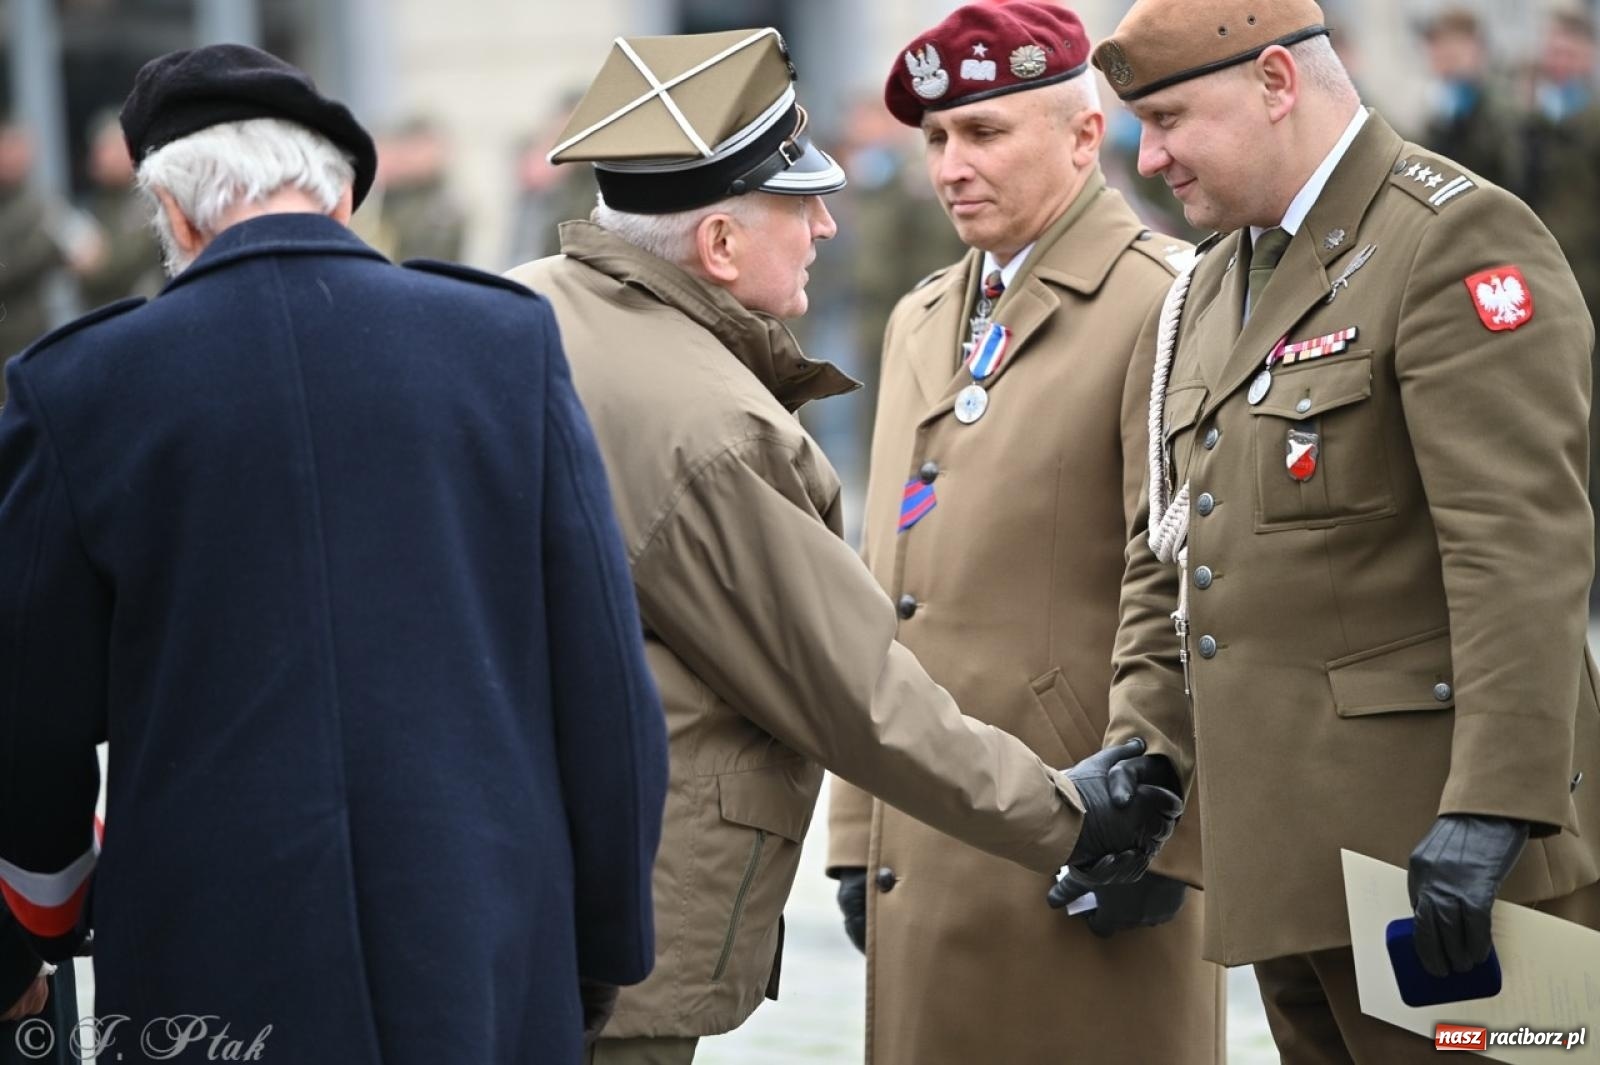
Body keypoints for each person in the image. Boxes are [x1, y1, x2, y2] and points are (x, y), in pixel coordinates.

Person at [507, 28, 1182, 1065]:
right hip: (625, 917)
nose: (827, 223)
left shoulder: (514, 312)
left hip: (509, 888)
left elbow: (1163, 573)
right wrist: (1072, 816)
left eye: (984, 132)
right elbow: (849, 682)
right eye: (797, 203)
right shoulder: (720, 421)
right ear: (721, 245)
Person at [0, 44, 667, 1065]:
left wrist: (42, 919)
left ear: (173, 217)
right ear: (343, 198)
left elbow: (28, 713)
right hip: (482, 929)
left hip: (206, 951)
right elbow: (606, 691)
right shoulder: (503, 345)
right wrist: (600, 944)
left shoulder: (80, 388)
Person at [1085, 0, 1600, 1060]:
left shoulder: (1450, 236)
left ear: (1276, 82)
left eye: (1173, 117)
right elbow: (1172, 548)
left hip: (1439, 863)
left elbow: (1517, 550)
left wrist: (1497, 805)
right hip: (1284, 862)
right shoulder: (1211, 285)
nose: (1150, 157)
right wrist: (1144, 744)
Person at [824, 6, 1223, 1064]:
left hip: (1084, 832)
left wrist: (1165, 828)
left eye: (986, 134)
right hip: (927, 835)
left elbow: (1189, 578)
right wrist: (858, 832)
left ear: (1084, 137)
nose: (952, 166)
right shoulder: (923, 316)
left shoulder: (1167, 300)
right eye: (938, 141)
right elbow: (886, 586)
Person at [1414, 7, 1514, 188]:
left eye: (1451, 45)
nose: (1439, 53)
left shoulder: (1502, 104)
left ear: (1475, 48)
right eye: (1435, 45)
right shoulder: (1439, 106)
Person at [75, 110, 162, 307]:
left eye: (106, 150)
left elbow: (127, 260)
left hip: (141, 309)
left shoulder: (147, 196)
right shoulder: (102, 202)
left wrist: (94, 264)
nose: (99, 159)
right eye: (97, 152)